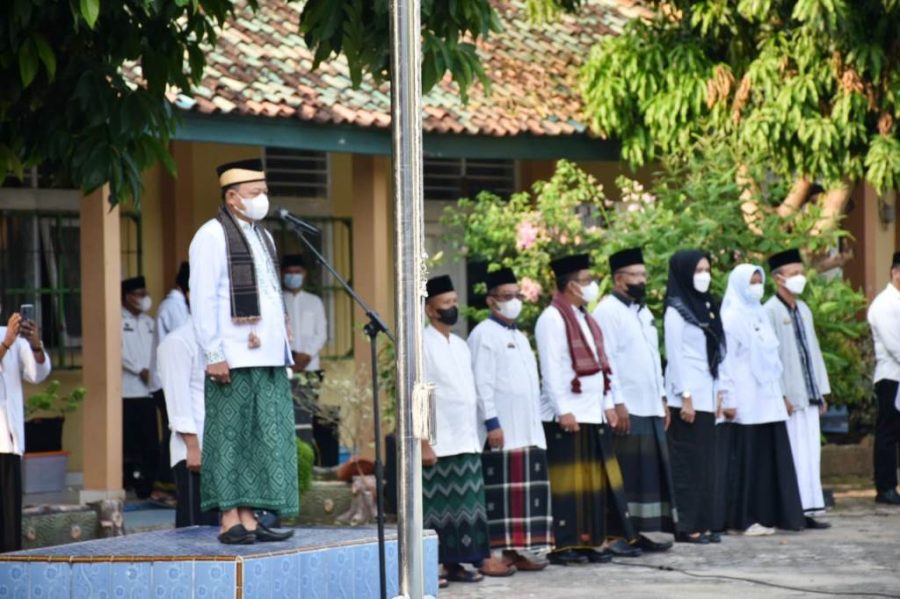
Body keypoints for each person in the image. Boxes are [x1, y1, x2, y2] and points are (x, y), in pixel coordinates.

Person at [189, 158, 297, 544]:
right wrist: (213, 353)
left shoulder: (264, 236)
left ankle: (251, 518)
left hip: (267, 357)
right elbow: (201, 300)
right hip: (233, 358)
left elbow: (271, 295)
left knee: (261, 439)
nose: (262, 199)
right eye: (255, 194)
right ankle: (229, 519)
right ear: (232, 198)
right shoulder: (211, 236)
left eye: (264, 192)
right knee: (230, 437)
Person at [536, 253, 638, 566]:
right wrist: (563, 409)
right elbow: (552, 370)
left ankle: (591, 542)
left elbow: (601, 367)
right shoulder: (551, 319)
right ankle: (565, 546)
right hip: (568, 415)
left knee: (591, 486)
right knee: (568, 487)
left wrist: (608, 405)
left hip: (593, 412)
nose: (591, 285)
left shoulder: (586, 318)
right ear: (570, 286)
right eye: (585, 280)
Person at [422, 275, 512, 584]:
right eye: (445, 304)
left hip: (466, 437)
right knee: (438, 509)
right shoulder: (421, 343)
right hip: (438, 440)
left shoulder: (460, 345)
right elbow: (420, 392)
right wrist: (423, 441)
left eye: (454, 302)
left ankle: (457, 565)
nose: (452, 308)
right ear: (430, 310)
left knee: (467, 508)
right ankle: (431, 567)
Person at [468, 267, 553, 572]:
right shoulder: (483, 335)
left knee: (523, 498)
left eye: (516, 296)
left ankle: (515, 551)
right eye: (506, 297)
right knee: (500, 497)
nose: (513, 301)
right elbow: (482, 384)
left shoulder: (520, 335)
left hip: (528, 429)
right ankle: (495, 553)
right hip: (502, 430)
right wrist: (491, 422)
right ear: (492, 301)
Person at [592, 248, 675, 552]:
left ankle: (641, 533)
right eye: (635, 275)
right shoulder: (606, 311)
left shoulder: (643, 312)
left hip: (650, 403)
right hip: (627, 406)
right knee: (625, 474)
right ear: (618, 279)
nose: (642, 280)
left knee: (647, 476)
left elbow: (654, 359)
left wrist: (663, 398)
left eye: (643, 274)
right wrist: (616, 402)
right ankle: (618, 536)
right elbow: (607, 360)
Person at [719, 264, 805, 534]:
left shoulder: (760, 314)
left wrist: (780, 394)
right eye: (751, 282)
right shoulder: (731, 317)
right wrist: (728, 399)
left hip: (768, 397)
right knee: (748, 460)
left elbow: (772, 359)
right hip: (746, 398)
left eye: (759, 281)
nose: (756, 286)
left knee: (770, 458)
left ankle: (773, 514)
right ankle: (745, 519)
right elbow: (726, 361)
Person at [765, 249, 833, 526]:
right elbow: (771, 359)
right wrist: (780, 394)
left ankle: (811, 508)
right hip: (789, 397)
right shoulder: (769, 311)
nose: (799, 279)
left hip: (809, 394)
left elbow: (814, 352)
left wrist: (822, 391)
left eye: (801, 273)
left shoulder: (803, 309)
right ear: (778, 279)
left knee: (810, 454)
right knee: (792, 454)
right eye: (793, 274)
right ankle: (794, 511)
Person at [663, 249, 725, 544]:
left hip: (706, 393)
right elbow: (675, 356)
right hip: (685, 398)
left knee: (705, 464)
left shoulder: (706, 305)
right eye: (698, 270)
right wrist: (685, 395)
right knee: (687, 463)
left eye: (707, 269)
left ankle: (705, 521)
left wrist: (719, 392)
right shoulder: (676, 310)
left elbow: (714, 354)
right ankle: (687, 526)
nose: (704, 275)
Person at [158, 314, 219, 528]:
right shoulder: (177, 342)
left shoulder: (219, 340)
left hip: (220, 446)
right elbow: (177, 399)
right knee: (195, 526)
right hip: (195, 448)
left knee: (217, 524)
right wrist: (193, 447)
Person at [0, 310, 51, 552]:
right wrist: (6, 344)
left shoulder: (12, 338)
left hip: (9, 445)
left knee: (10, 523)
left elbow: (37, 374)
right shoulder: (8, 339)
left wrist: (36, 345)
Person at [281, 254, 333, 462]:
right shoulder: (277, 299)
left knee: (306, 415)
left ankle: (307, 461)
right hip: (284, 365)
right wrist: (290, 358)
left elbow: (321, 333)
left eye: (297, 272)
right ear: (282, 274)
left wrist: (306, 355)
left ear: (305, 274)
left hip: (310, 366)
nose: (293, 276)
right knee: (286, 415)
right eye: (289, 273)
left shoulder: (314, 302)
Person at [148, 261, 192, 505]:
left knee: (174, 432)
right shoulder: (174, 307)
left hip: (169, 380)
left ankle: (168, 486)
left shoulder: (177, 305)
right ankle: (164, 487)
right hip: (168, 381)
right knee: (175, 433)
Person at [866, 251, 900, 506]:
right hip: (892, 378)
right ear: (895, 272)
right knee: (888, 434)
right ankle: (886, 487)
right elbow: (894, 344)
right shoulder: (884, 304)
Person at [121, 275, 159, 499]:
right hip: (127, 391)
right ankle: (130, 482)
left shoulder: (149, 322)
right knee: (130, 444)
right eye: (140, 294)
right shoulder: (117, 320)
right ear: (127, 297)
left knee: (150, 443)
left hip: (147, 391)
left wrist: (153, 372)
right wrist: (139, 369)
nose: (144, 299)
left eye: (146, 294)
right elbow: (118, 351)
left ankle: (147, 484)